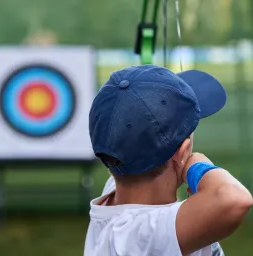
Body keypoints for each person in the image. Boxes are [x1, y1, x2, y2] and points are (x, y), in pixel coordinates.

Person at [84, 65, 253, 256]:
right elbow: (234, 199)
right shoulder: (136, 237)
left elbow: (131, 135)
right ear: (182, 153)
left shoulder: (117, 191)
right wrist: (197, 167)